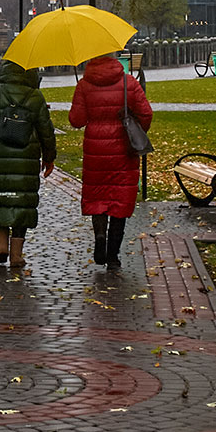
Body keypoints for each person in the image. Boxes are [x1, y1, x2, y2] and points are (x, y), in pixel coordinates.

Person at [0, 60, 57, 268]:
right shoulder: (35, 97)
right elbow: (46, 131)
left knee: (1, 199)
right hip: (27, 160)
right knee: (21, 203)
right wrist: (49, 157)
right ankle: (16, 255)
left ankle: (1, 246)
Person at [69, 53, 153, 270]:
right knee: (119, 200)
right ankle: (113, 256)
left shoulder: (84, 85)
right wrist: (135, 128)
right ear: (114, 59)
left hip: (95, 148)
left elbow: (76, 121)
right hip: (123, 148)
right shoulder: (129, 83)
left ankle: (99, 236)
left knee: (98, 195)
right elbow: (146, 113)